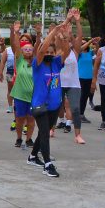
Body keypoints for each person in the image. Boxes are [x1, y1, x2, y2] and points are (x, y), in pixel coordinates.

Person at [27, 21, 70, 178]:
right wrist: (53, 33)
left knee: (44, 132)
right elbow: (43, 48)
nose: (49, 54)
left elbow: (66, 50)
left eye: (52, 53)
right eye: (47, 52)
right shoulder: (37, 65)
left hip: (54, 105)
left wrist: (64, 37)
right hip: (39, 105)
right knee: (45, 133)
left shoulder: (57, 64)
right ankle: (47, 164)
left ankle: (32, 156)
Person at [57, 9, 86, 145]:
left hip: (74, 85)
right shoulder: (58, 51)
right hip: (59, 83)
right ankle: (51, 129)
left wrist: (78, 21)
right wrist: (68, 20)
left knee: (75, 109)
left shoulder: (75, 51)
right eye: (65, 39)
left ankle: (78, 135)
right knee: (56, 107)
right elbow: (58, 33)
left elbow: (80, 35)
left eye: (70, 39)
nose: (67, 41)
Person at [9, 24, 37, 149]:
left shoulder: (36, 63)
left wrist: (39, 34)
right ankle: (19, 137)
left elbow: (39, 48)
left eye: (30, 49)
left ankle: (29, 139)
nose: (27, 51)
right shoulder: (19, 61)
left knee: (31, 120)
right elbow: (16, 46)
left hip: (33, 97)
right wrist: (16, 33)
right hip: (20, 96)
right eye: (25, 49)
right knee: (19, 119)